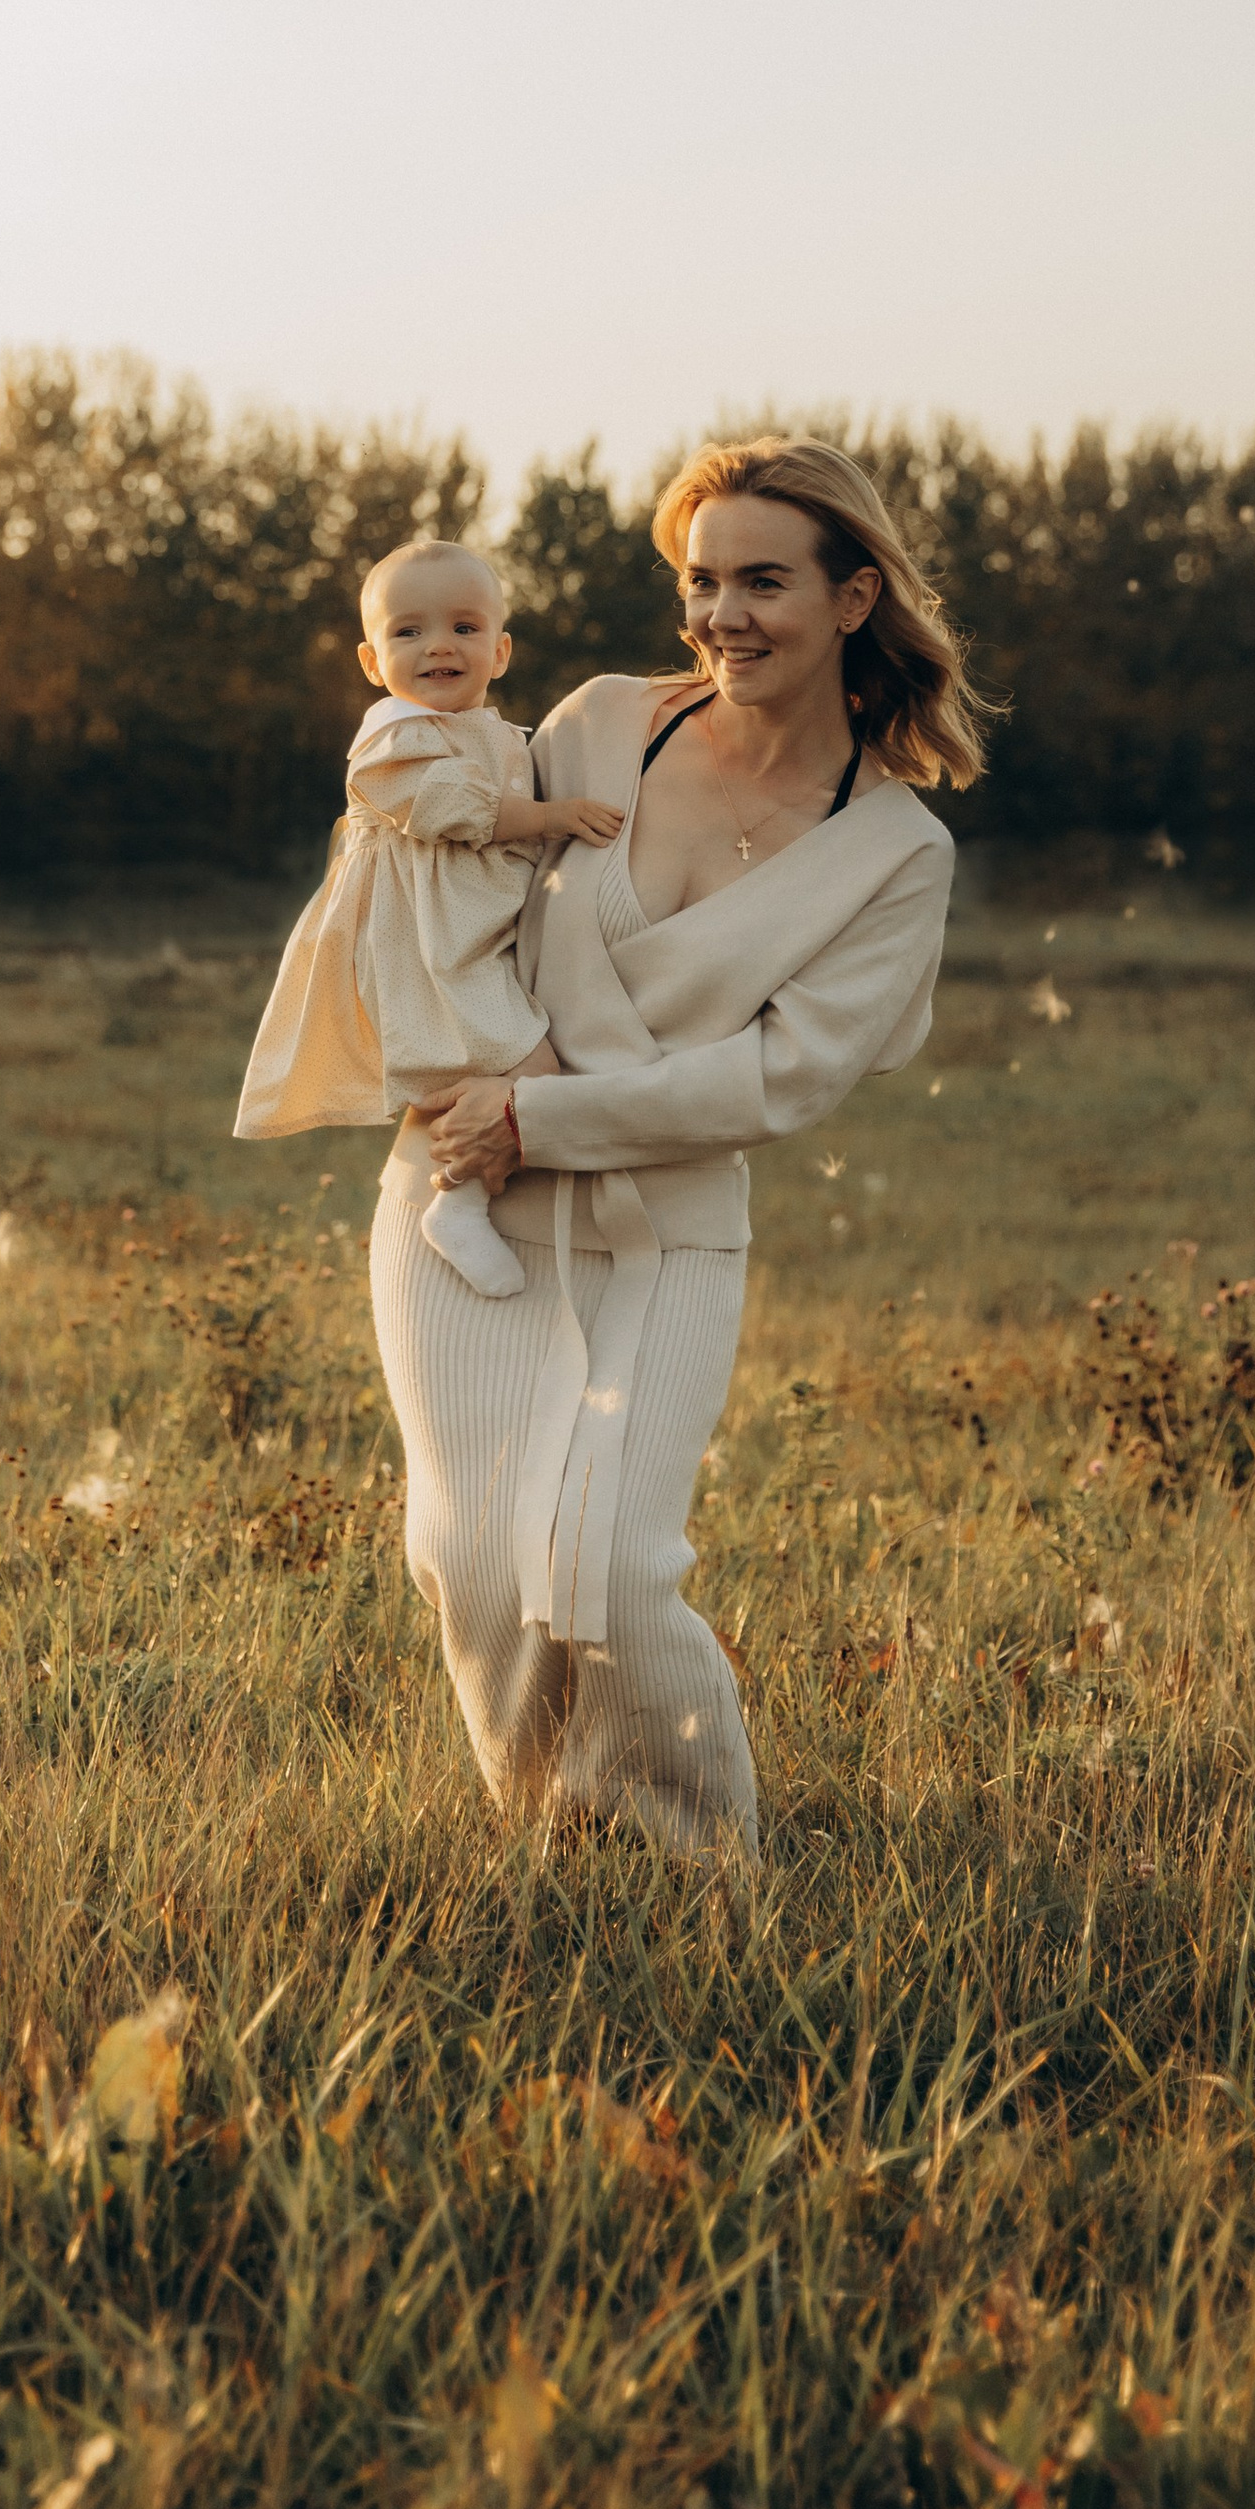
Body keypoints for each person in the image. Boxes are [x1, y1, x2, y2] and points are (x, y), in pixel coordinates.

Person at [385, 437, 990, 1854]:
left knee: (605, 1561)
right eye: (702, 579)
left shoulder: (897, 855)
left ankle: (704, 1864)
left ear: (853, 599)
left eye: (763, 580)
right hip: (465, 1200)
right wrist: (433, 1056)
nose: (722, 615)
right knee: (472, 1556)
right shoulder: (598, 725)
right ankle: (555, 1844)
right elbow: (437, 876)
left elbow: (784, 1077)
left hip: (666, 1234)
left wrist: (541, 1112)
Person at [235, 539, 624, 1294]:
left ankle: (497, 1194)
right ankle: (459, 1203)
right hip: (425, 942)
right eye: (409, 631)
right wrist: (554, 816)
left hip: (475, 932)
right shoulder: (392, 735)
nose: (439, 644)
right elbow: (445, 806)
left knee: (524, 1060)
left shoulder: (505, 737)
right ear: (373, 663)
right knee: (529, 1068)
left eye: (465, 627)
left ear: (501, 650)